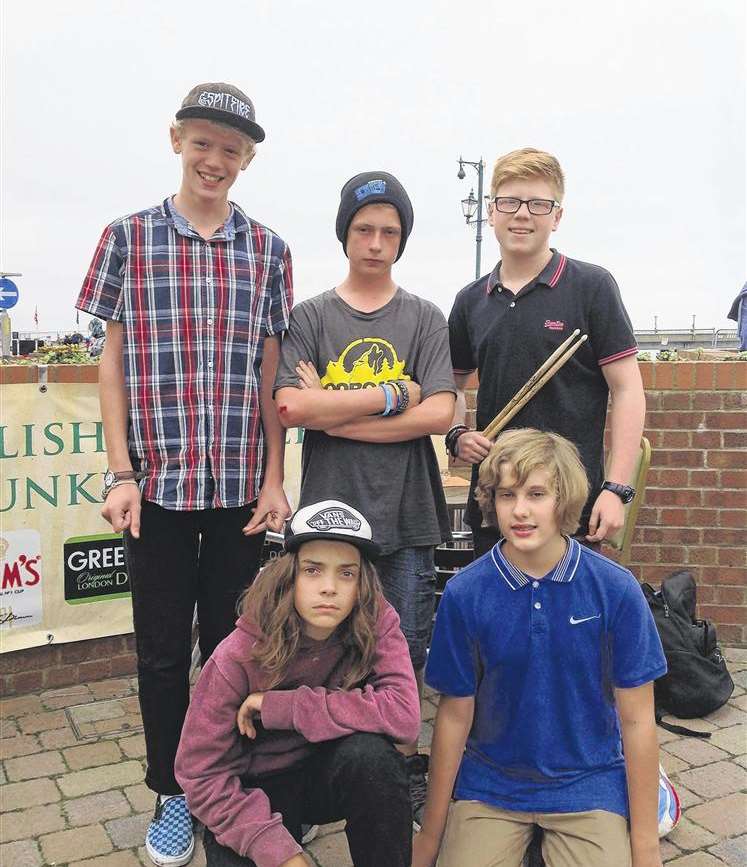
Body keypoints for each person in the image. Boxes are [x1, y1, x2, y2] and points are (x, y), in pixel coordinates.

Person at [75, 82, 293, 866]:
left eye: (231, 149)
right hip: (158, 493)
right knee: (162, 652)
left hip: (239, 493)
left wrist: (275, 478)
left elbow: (273, 376)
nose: (215, 159)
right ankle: (171, 790)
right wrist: (119, 471)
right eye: (203, 142)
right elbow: (113, 368)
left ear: (247, 159)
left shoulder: (269, 250)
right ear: (176, 140)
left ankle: (223, 777)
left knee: (236, 648)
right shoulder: (127, 237)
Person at [274, 171, 456, 824]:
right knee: (321, 647)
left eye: (389, 231)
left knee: (400, 652)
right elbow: (291, 404)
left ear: (401, 239)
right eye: (363, 229)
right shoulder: (312, 316)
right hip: (330, 514)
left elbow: (439, 411)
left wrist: (334, 409)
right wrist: (390, 393)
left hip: (406, 516)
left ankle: (395, 770)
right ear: (344, 234)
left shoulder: (424, 317)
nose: (375, 242)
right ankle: (317, 768)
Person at [412, 428, 666, 867]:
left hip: (587, 780)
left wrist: (645, 849)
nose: (521, 510)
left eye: (537, 494)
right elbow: (454, 716)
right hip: (492, 783)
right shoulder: (465, 593)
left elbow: (638, 720)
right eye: (507, 495)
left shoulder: (615, 590)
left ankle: (650, 796)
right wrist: (431, 837)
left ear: (563, 499)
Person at [174, 499, 420, 867]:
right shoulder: (237, 654)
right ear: (289, 575)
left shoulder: (375, 619)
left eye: (347, 573)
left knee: (374, 760)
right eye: (313, 570)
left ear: (362, 583)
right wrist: (281, 853)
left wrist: (280, 707)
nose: (330, 588)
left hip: (322, 770)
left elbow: (404, 716)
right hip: (251, 789)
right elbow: (201, 773)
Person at [446, 148, 646, 558]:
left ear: (556, 216)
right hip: (495, 502)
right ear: (491, 211)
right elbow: (449, 386)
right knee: (496, 619)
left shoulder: (591, 287)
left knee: (575, 621)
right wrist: (457, 435)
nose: (522, 214)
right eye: (510, 202)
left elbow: (627, 390)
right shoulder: (470, 301)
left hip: (572, 503)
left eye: (539, 204)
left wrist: (617, 489)